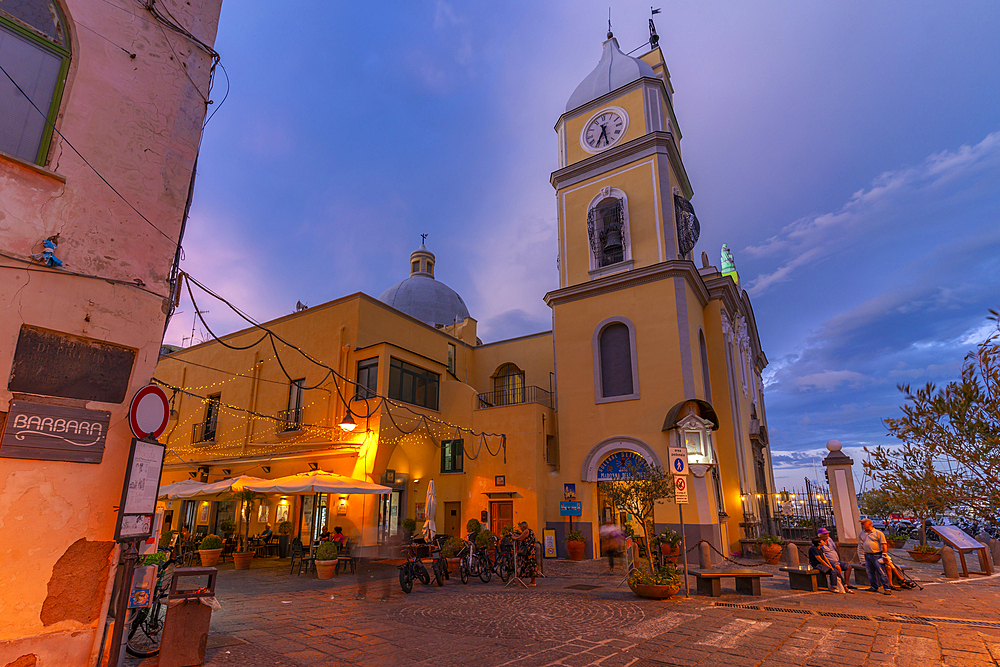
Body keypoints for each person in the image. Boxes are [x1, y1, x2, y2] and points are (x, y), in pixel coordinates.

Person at [858, 518, 892, 595]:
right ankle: (874, 586)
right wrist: (862, 556)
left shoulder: (878, 533)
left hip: (877, 555)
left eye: (864, 524)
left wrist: (884, 554)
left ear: (869, 525)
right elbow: (860, 545)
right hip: (867, 555)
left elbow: (884, 544)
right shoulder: (861, 534)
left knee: (882, 572)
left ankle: (887, 588)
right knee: (870, 572)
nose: (863, 526)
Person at [818, 528, 853, 593]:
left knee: (848, 567)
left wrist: (837, 545)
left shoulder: (829, 539)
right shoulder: (819, 542)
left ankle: (846, 583)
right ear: (820, 535)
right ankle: (840, 585)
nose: (827, 535)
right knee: (837, 568)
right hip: (829, 561)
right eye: (824, 534)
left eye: (827, 533)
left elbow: (834, 549)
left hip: (836, 560)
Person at [511, 521, 538, 586]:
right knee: (530, 566)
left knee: (525, 565)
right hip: (531, 551)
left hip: (527, 552)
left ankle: (518, 581)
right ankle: (533, 582)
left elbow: (520, 538)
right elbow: (522, 536)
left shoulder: (526, 531)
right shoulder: (530, 531)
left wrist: (514, 537)